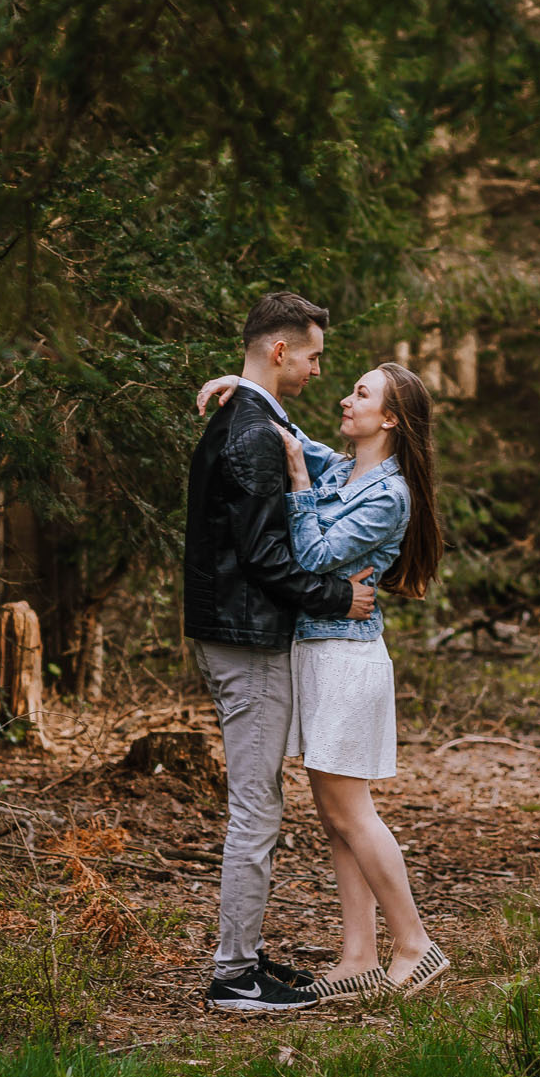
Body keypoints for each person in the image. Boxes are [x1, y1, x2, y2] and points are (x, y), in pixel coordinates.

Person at [195, 361, 449, 1003]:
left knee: (350, 811)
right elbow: (291, 440)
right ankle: (359, 952)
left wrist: (301, 485)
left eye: (361, 393)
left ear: (389, 418)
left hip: (345, 657)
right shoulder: (346, 467)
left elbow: (308, 557)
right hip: (316, 651)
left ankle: (415, 943)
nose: (345, 397)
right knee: (335, 819)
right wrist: (245, 393)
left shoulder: (388, 494)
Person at [183, 292, 377, 1014]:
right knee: (257, 810)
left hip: (232, 630)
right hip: (245, 638)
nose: (319, 370)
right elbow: (267, 555)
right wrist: (336, 596)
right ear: (278, 351)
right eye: (313, 355)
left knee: (256, 803)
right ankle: (234, 975)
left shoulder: (250, 419)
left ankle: (246, 954)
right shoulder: (254, 432)